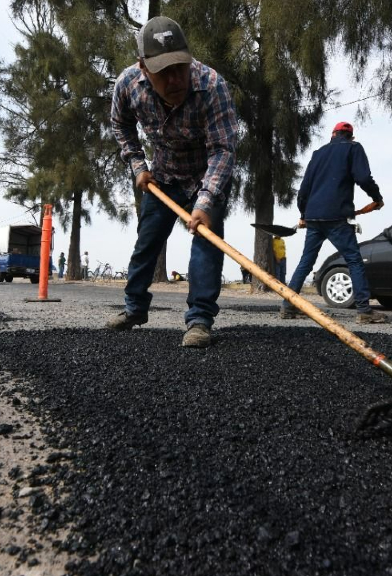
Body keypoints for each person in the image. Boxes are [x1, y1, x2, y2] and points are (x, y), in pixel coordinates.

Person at [105, 16, 238, 348]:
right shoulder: (128, 85)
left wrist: (206, 202)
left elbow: (223, 149)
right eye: (164, 72)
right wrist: (137, 163)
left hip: (206, 175)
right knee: (147, 242)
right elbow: (120, 125)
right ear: (144, 68)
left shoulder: (211, 86)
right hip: (162, 175)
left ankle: (199, 320)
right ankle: (134, 308)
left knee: (206, 244)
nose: (175, 78)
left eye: (180, 67)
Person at [280, 122, 388, 324]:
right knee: (354, 260)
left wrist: (303, 213)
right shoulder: (353, 148)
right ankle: (364, 310)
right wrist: (377, 198)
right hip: (337, 215)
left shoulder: (318, 153)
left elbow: (304, 188)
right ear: (351, 137)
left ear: (333, 135)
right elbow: (363, 177)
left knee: (306, 261)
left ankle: (288, 306)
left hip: (313, 216)